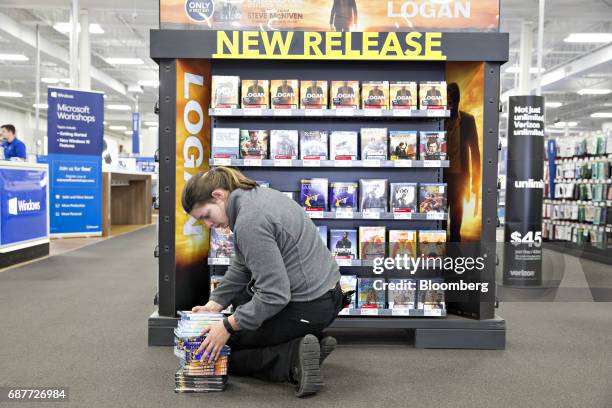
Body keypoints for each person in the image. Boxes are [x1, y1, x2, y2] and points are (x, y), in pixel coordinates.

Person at [182, 167, 343, 397]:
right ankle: (310, 341)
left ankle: (292, 358)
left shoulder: (249, 220)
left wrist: (227, 326)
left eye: (206, 216)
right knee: (236, 315)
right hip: (326, 298)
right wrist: (215, 304)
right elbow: (242, 263)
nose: (208, 224)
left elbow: (275, 295)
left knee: (223, 351)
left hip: (308, 306)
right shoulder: (254, 196)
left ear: (218, 195)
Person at [444, 82, 481, 242]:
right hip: (440, 178)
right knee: (438, 220)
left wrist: (476, 184)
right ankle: (437, 256)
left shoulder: (468, 120)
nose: (451, 102)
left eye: (454, 98)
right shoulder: (437, 119)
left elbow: (475, 152)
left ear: (459, 99)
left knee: (456, 222)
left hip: (460, 179)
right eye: (449, 98)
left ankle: (453, 258)